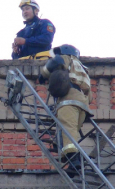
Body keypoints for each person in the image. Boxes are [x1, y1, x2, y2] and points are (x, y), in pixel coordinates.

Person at [39, 44, 93, 174]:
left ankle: (75, 161)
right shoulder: (83, 69)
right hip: (83, 105)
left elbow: (56, 61)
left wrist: (43, 74)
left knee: (68, 131)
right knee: (68, 132)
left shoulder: (66, 58)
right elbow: (90, 94)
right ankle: (70, 161)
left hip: (69, 101)